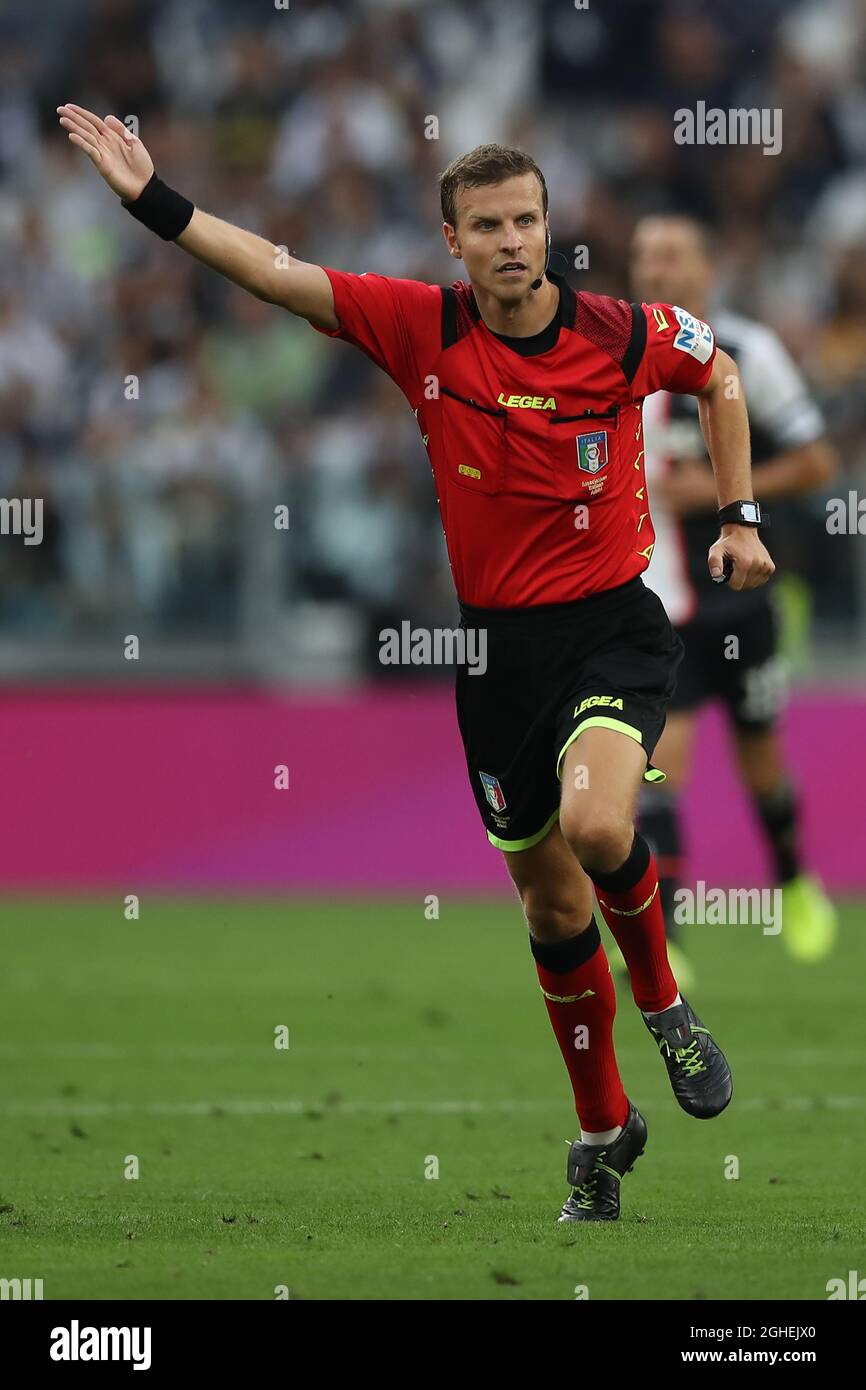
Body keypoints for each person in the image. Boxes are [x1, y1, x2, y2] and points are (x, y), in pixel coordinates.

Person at [57, 109, 775, 1222]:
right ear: (451, 238)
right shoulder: (419, 330)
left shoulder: (620, 332)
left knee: (596, 829)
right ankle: (599, 1129)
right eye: (485, 224)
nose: (509, 241)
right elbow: (274, 275)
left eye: (525, 220)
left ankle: (667, 1006)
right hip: (496, 658)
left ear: (548, 230)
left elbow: (718, 373)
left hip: (613, 627)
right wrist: (153, 201)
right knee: (546, 908)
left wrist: (737, 514)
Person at [629, 215, 838, 976]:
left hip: (743, 601)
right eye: (645, 257)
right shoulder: (616, 359)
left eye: (673, 255)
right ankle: (668, 946)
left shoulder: (748, 354)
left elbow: (817, 460)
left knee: (761, 764)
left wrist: (725, 496)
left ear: (706, 269)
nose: (657, 270)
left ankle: (794, 880)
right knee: (659, 769)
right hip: (661, 608)